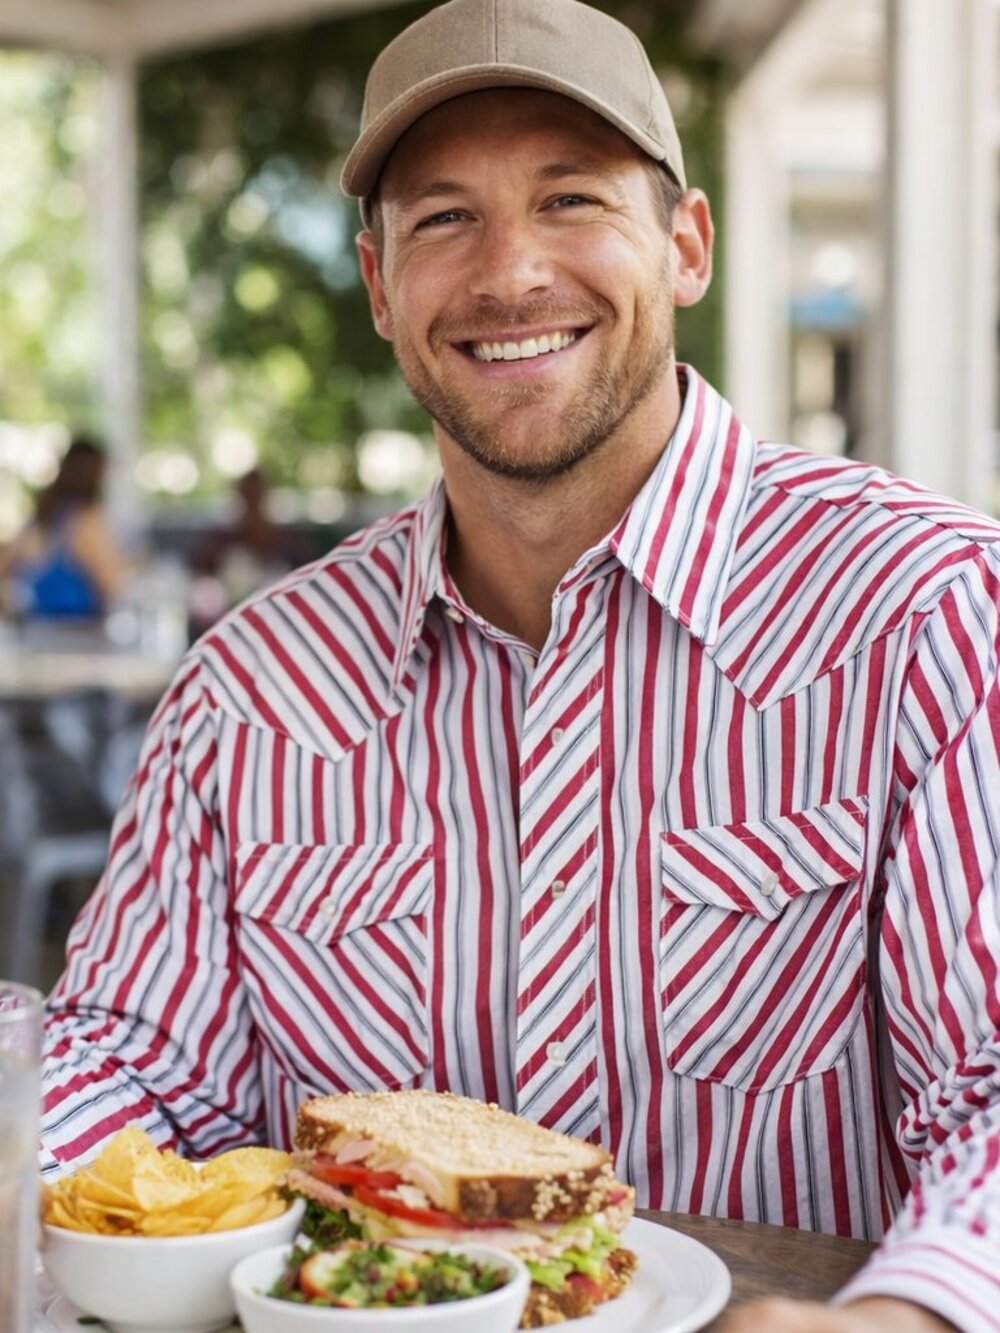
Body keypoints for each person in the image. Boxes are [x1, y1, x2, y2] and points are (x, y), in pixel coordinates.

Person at [40, 1, 999, 1328]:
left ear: (686, 246)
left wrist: (903, 1315)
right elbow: (126, 1066)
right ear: (381, 289)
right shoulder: (251, 689)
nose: (510, 274)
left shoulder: (924, 612)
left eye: (569, 199)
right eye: (442, 220)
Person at [0, 435, 124, 621]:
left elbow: (5, 563)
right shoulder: (85, 519)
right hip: (78, 633)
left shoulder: (44, 515)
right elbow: (111, 583)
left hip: (35, 631)